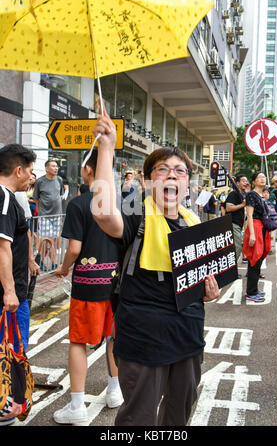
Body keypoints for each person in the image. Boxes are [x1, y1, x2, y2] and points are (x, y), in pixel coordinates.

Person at [91, 106, 220, 426]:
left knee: (179, 416)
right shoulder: (137, 216)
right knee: (139, 419)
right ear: (148, 182)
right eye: (163, 169)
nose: (173, 175)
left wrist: (209, 291)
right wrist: (107, 147)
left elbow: (200, 279)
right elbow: (104, 212)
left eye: (181, 170)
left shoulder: (195, 224)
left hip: (188, 338)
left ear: (188, 183)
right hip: (143, 340)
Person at [53, 149, 123, 426]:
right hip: (117, 283)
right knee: (114, 338)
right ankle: (115, 391)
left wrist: (64, 267)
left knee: (79, 341)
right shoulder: (123, 203)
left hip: (88, 283)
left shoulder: (79, 204)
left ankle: (77, 404)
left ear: (87, 170)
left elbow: (74, 248)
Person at [0, 144, 38, 426]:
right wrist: (11, 291)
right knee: (10, 350)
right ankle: (6, 407)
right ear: (18, 170)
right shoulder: (4, 198)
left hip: (11, 293)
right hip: (8, 298)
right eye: (30, 171)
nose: (31, 177)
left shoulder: (9, 198)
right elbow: (2, 247)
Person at [242, 172, 271, 303]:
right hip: (256, 228)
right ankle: (251, 292)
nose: (262, 179)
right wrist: (252, 234)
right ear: (253, 181)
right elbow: (250, 215)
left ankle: (254, 289)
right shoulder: (252, 195)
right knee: (254, 259)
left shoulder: (261, 195)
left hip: (262, 229)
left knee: (258, 260)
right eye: (259, 177)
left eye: (264, 177)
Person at [33, 160, 64, 270]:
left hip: (57, 215)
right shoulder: (40, 181)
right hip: (44, 215)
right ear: (46, 168)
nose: (56, 168)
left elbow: (60, 195)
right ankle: (54, 264)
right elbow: (36, 199)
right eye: (53, 166)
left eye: (56, 166)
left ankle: (40, 260)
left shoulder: (59, 179)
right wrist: (43, 210)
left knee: (53, 240)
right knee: (48, 239)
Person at [225, 175, 248, 270]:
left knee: (237, 246)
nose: (245, 183)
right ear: (237, 183)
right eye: (243, 181)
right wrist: (242, 205)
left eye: (246, 181)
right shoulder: (233, 194)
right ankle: (231, 269)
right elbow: (228, 208)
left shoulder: (243, 195)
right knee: (237, 247)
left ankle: (230, 268)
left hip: (240, 225)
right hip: (233, 224)